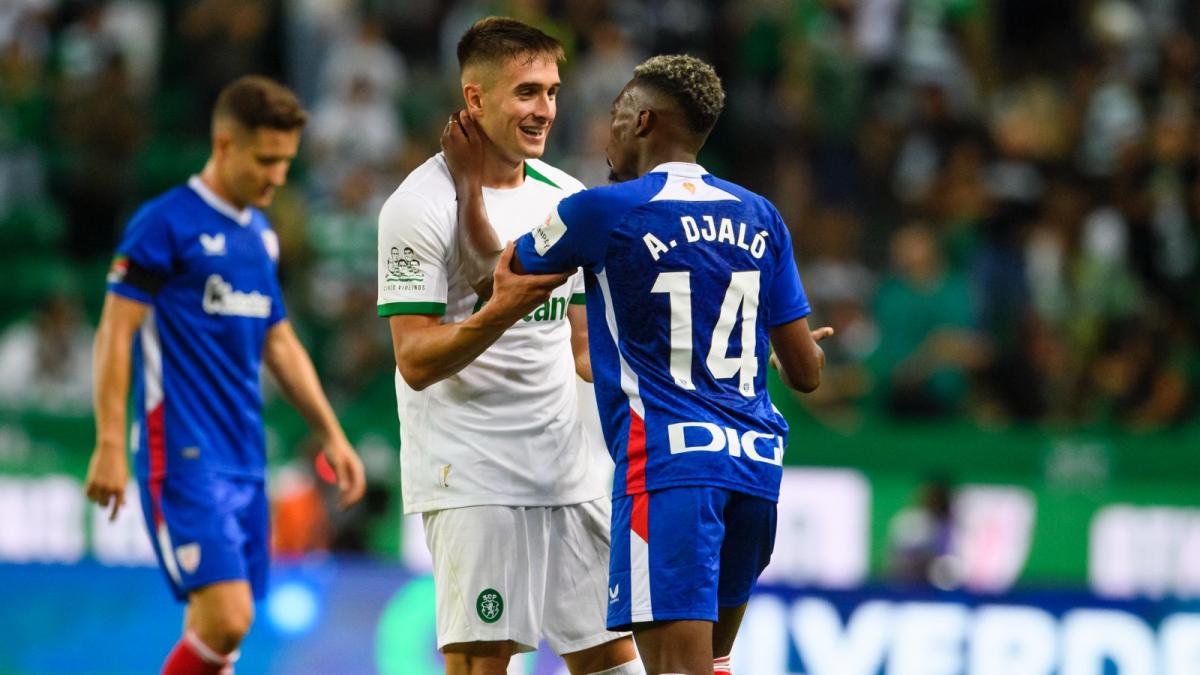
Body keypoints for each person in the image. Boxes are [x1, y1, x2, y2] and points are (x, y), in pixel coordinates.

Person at [443, 54, 832, 674]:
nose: (608, 132)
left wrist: (468, 183)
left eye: (617, 115)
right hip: (755, 471)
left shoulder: (603, 211)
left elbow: (496, 282)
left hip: (670, 472)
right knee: (714, 663)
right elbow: (807, 372)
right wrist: (784, 353)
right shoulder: (762, 215)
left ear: (643, 119)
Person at [376, 17, 641, 675]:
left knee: (616, 664)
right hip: (475, 477)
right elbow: (414, 358)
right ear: (474, 99)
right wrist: (498, 314)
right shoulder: (418, 206)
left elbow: (584, 346)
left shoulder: (566, 197)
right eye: (526, 92)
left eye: (551, 91)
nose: (544, 109)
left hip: (567, 472)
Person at [84, 75, 366, 675]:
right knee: (227, 616)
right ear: (223, 144)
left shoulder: (261, 238)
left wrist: (333, 434)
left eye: (286, 162)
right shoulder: (164, 224)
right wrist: (109, 441)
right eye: (266, 159)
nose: (277, 176)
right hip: (182, 450)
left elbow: (280, 341)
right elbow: (116, 330)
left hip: (244, 454)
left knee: (220, 639)